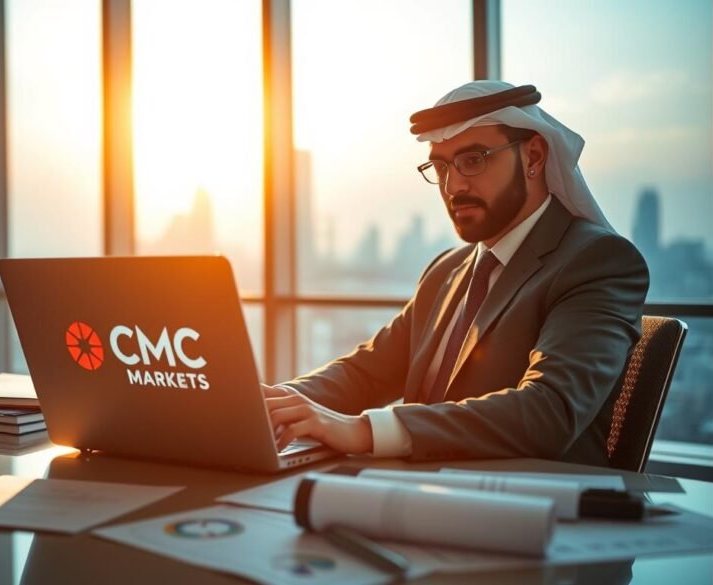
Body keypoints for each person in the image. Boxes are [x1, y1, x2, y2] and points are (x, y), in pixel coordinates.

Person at [262, 80, 649, 466]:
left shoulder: (598, 262)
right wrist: (271, 405)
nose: (452, 185)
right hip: (418, 496)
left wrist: (362, 430)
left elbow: (549, 411)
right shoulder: (447, 270)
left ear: (533, 157)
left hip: (532, 513)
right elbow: (365, 374)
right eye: (442, 165)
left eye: (474, 159)